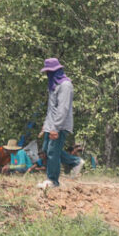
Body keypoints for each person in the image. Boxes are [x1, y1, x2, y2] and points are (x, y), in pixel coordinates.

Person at [37, 58, 75, 189]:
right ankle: (73, 162)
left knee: (53, 152)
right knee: (47, 150)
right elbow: (51, 109)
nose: (48, 74)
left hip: (60, 125)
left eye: (50, 71)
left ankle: (53, 181)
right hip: (51, 125)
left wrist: (56, 128)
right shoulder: (53, 86)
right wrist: (46, 126)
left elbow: (62, 109)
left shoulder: (65, 85)